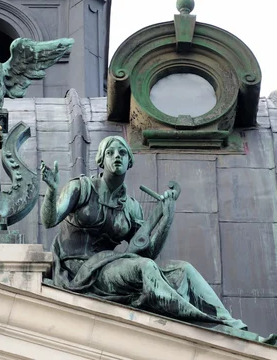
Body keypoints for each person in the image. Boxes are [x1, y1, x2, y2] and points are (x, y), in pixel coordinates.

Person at [40, 135, 247, 330]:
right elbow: (49, 220)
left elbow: (147, 252)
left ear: (129, 161)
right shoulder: (81, 188)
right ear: (101, 160)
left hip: (108, 266)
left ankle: (226, 322)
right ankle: (197, 319)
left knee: (184, 270)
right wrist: (51, 190)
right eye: (110, 152)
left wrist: (166, 218)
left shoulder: (131, 207)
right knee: (145, 269)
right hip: (77, 268)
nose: (117, 156)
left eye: (122, 152)